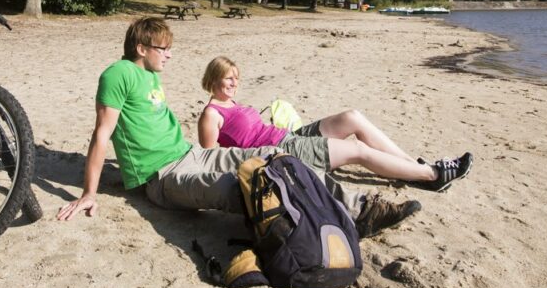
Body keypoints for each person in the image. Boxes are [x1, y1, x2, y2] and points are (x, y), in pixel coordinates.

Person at [56, 17, 421, 237]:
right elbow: (102, 134)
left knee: (278, 159)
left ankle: (361, 206)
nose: (169, 54)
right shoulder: (118, 74)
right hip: (161, 179)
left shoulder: (150, 76)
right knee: (248, 187)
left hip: (190, 154)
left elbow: (146, 128)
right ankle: (341, 217)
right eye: (163, 48)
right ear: (141, 47)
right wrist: (90, 192)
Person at [197, 56, 472, 192]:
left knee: (352, 117)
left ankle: (416, 169)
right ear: (214, 79)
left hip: (289, 136)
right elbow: (213, 159)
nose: (234, 83)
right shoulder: (211, 114)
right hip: (280, 151)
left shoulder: (232, 104)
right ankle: (434, 176)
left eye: (236, 78)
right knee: (356, 150)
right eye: (228, 78)